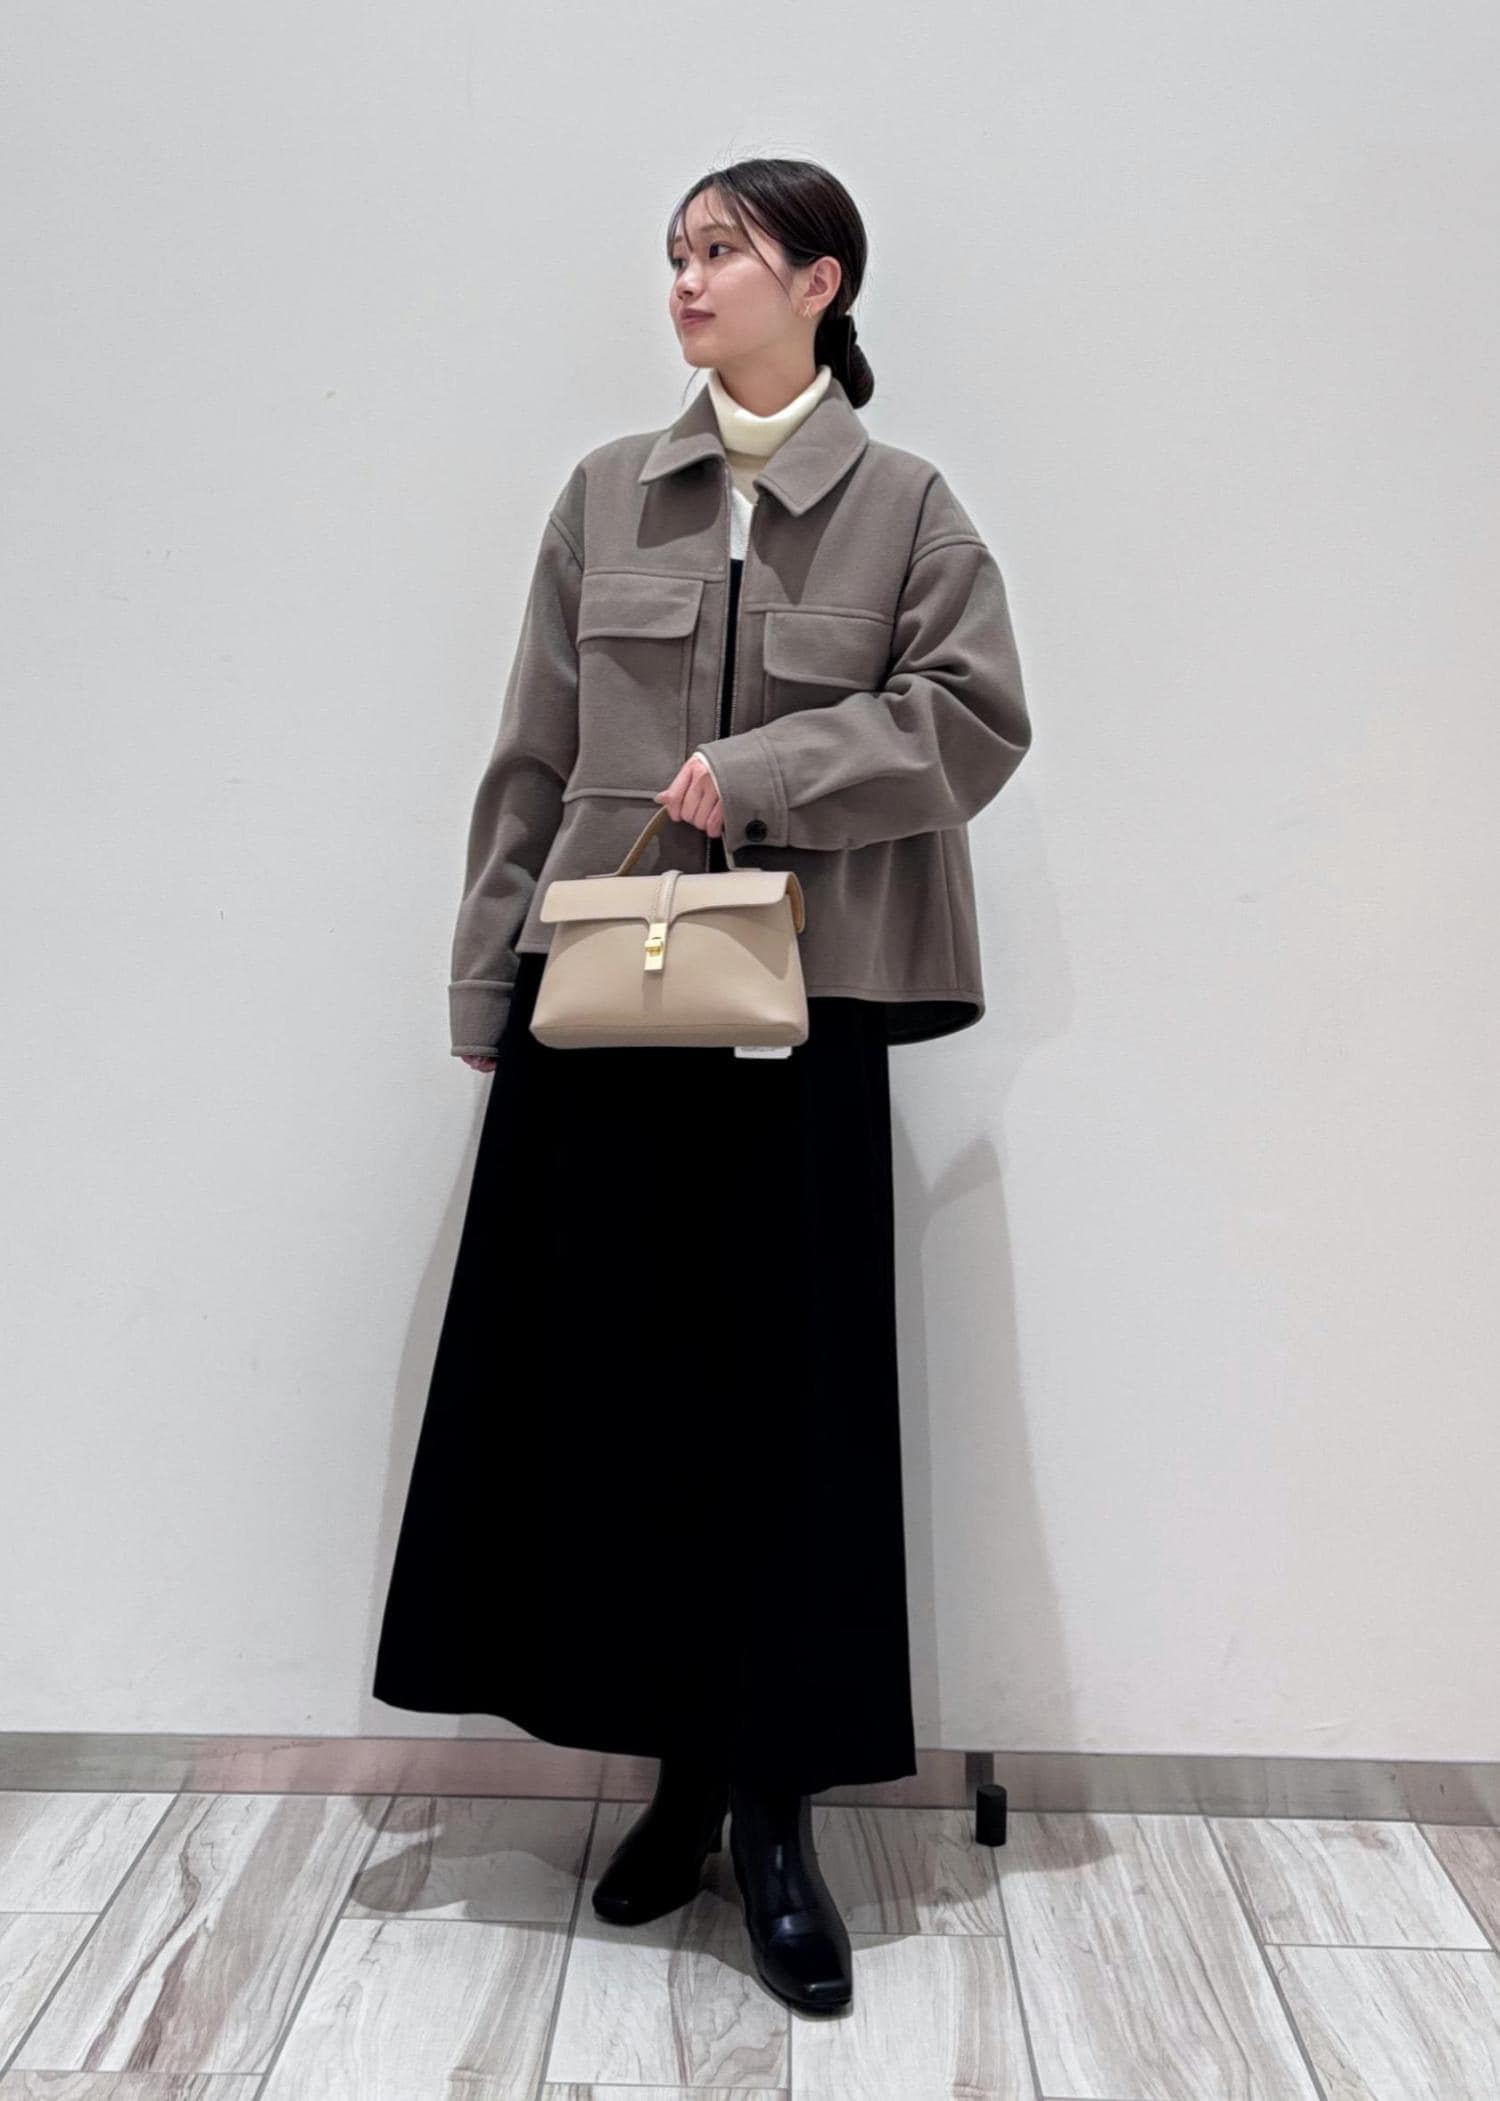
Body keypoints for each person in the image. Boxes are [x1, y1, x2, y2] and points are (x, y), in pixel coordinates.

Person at [371, 156, 1032, 2018]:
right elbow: (531, 753)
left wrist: (767, 772)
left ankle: (774, 1812)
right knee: (620, 1407)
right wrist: (484, 969)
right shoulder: (606, 494)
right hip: (600, 1009)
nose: (686, 278)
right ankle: (669, 1776)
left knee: (792, 1422)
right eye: (676, 252)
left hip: (801, 1019)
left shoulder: (908, 507)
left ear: (820, 282)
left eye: (722, 250)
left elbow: (973, 718)